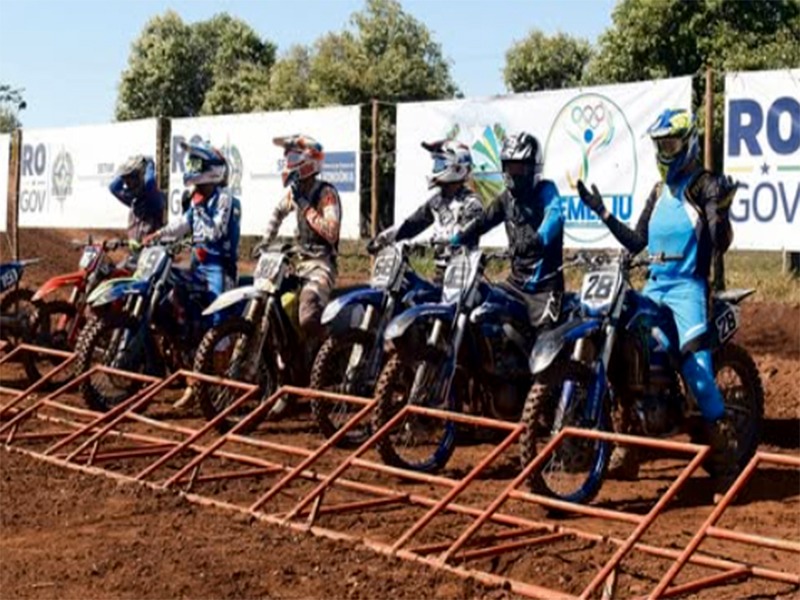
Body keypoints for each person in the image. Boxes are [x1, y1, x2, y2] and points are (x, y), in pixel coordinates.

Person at [577, 108, 738, 499]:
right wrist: (601, 212)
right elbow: (636, 242)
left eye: (671, 143)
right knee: (628, 352)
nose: (665, 150)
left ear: (688, 142)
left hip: (688, 290)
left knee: (697, 371)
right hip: (654, 285)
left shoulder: (705, 185)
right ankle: (629, 445)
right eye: (660, 144)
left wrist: (723, 213)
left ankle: (727, 463)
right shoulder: (656, 190)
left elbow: (720, 242)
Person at [143, 141, 242, 408]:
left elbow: (216, 231)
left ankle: (224, 387)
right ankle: (191, 381)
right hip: (196, 267)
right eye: (192, 165)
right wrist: (157, 235)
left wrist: (198, 209)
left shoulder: (225, 199)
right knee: (166, 302)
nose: (192, 171)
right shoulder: (198, 200)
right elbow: (182, 225)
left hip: (220, 268)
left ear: (213, 171)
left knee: (219, 321)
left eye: (198, 165)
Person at [260, 134, 342, 417]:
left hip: (321, 264)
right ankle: (285, 381)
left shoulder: (326, 193)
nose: (288, 163)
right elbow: (277, 212)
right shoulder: (294, 192)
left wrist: (307, 208)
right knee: (273, 314)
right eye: (287, 158)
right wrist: (265, 239)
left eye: (294, 158)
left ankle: (331, 355)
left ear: (308, 162)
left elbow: (332, 232)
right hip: (297, 262)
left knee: (307, 314)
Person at [458, 132, 564, 328]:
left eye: (519, 167)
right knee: (478, 306)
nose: (513, 173)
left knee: (544, 347)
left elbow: (555, 216)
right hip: (514, 284)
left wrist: (539, 239)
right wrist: (457, 238)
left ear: (534, 167)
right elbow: (483, 220)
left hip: (545, 289)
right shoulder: (507, 198)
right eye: (509, 166)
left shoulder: (546, 190)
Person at [369, 140, 484, 283]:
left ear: (457, 168)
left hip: (462, 277)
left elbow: (466, 237)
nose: (435, 168)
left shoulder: (471, 203)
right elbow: (413, 224)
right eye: (436, 164)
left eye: (440, 164)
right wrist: (385, 237)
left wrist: (425, 243)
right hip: (440, 273)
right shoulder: (437, 201)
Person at [109, 155, 165, 243]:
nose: (126, 183)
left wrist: (149, 164)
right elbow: (113, 187)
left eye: (130, 178)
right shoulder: (132, 197)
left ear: (139, 176)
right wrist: (125, 171)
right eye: (125, 179)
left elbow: (149, 182)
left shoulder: (153, 198)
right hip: (135, 247)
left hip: (152, 248)